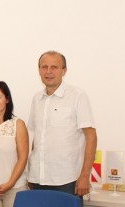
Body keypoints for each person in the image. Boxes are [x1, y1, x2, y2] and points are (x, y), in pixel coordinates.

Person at [27, 51, 97, 196]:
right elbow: (36, 138)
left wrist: (85, 176)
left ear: (64, 71)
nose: (48, 71)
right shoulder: (37, 99)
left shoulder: (77, 96)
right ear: (39, 70)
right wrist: (30, 173)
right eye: (44, 67)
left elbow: (91, 137)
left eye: (54, 67)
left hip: (67, 180)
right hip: (38, 178)